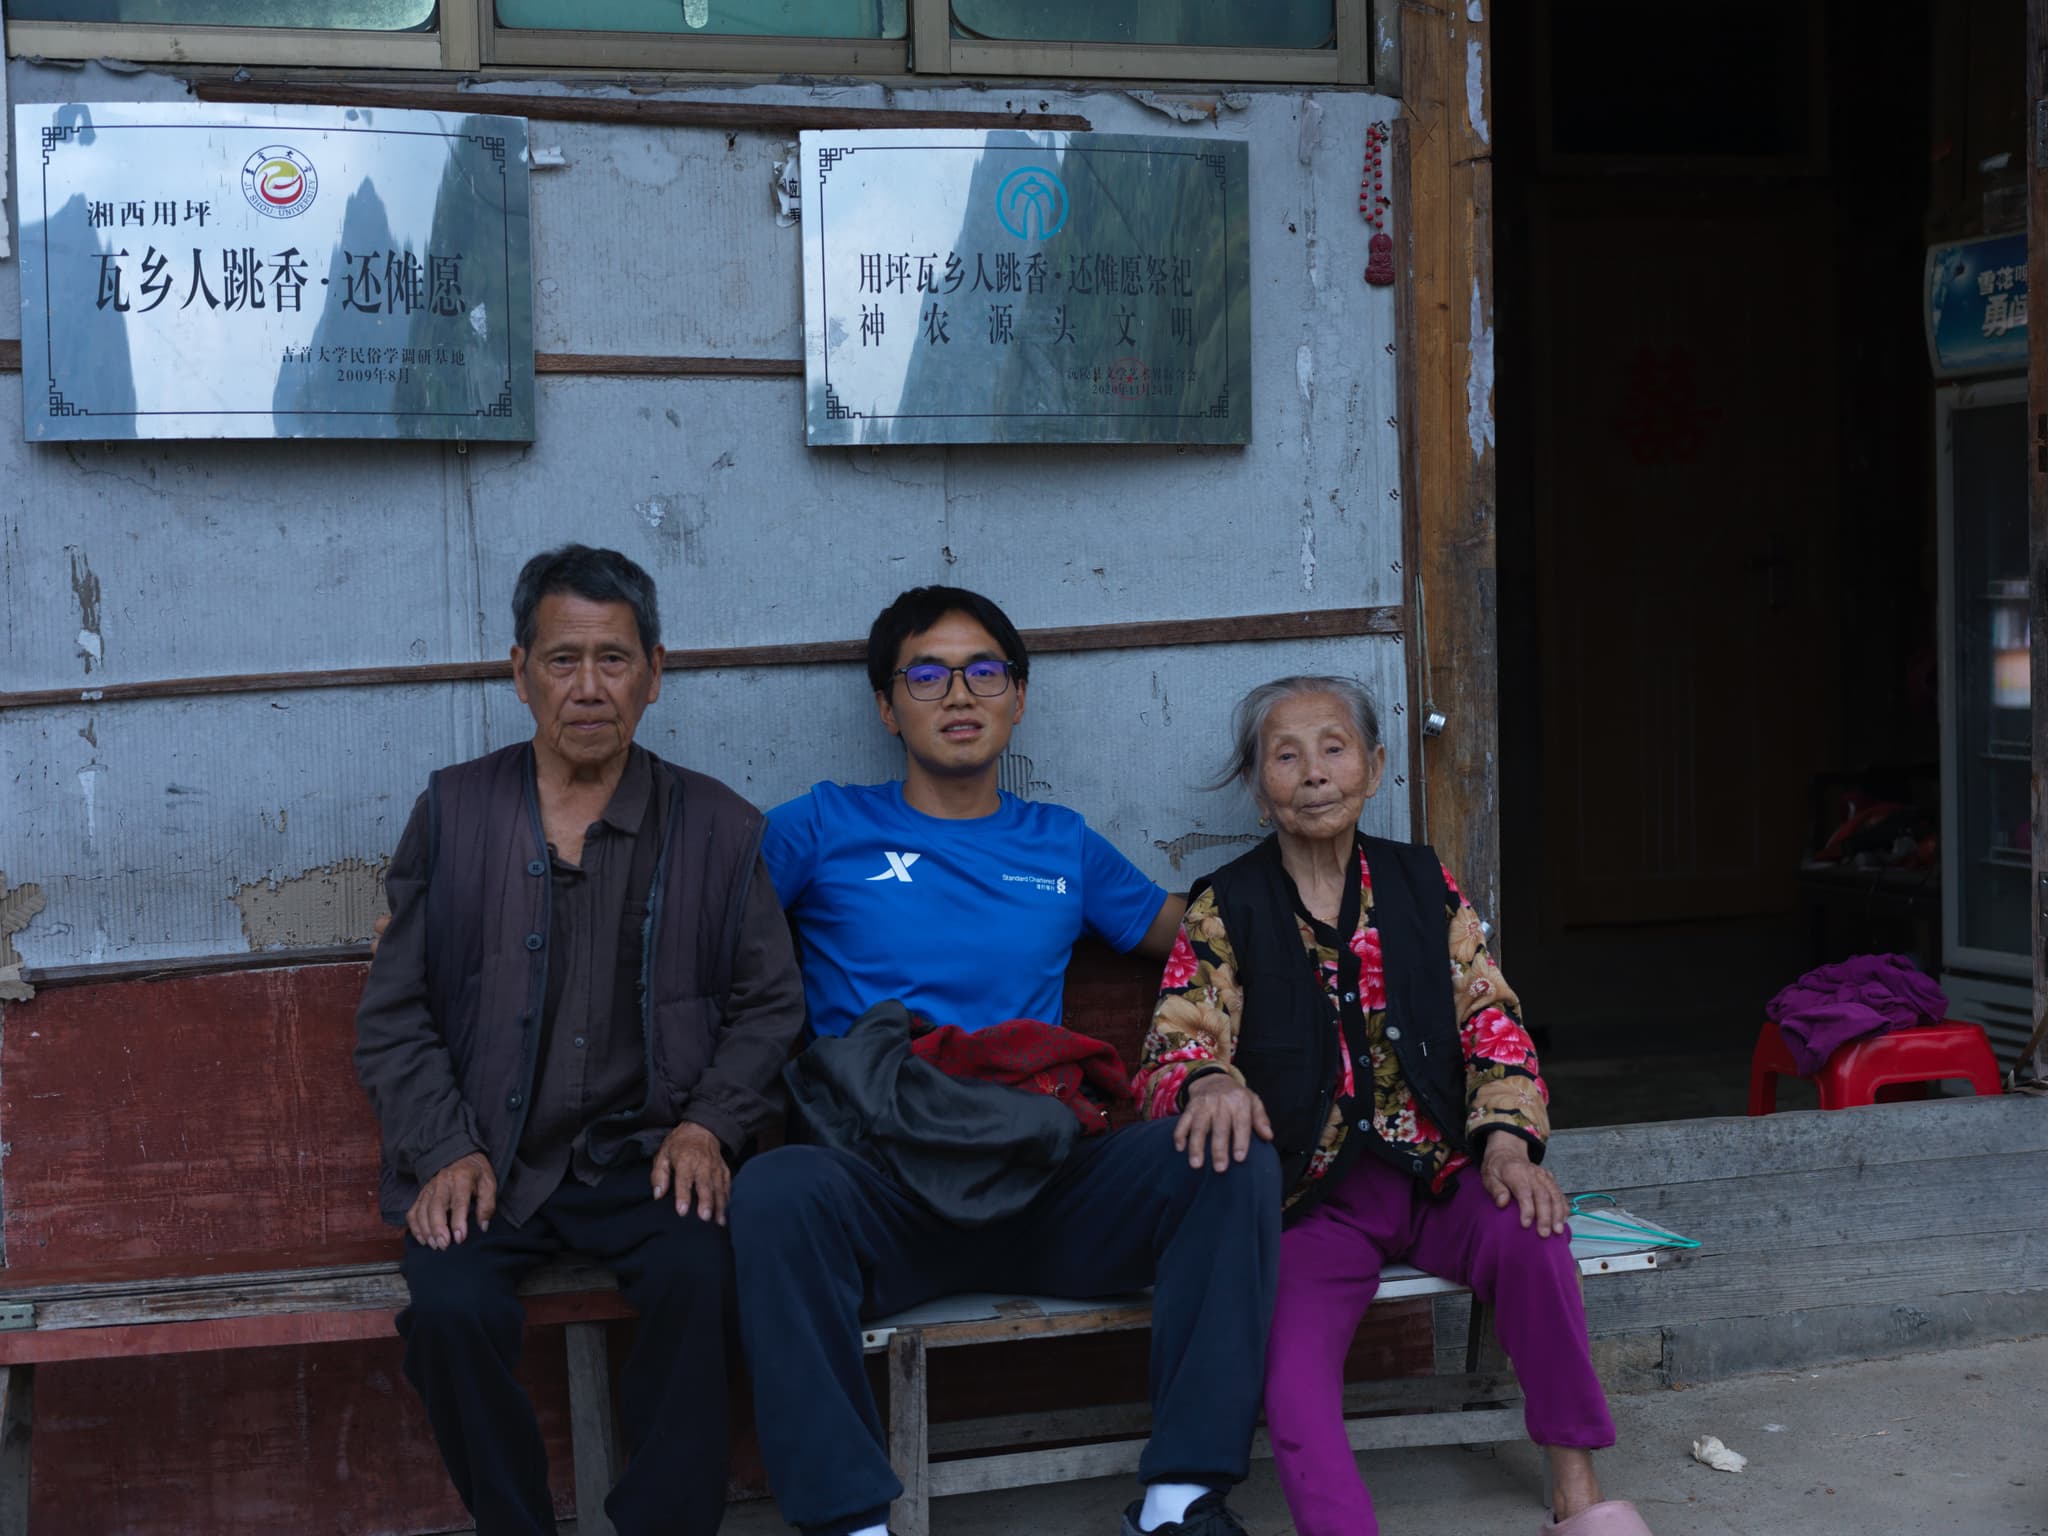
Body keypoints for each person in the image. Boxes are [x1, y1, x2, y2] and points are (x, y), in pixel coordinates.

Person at [728, 586, 1282, 1536]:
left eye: (986, 670)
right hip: (885, 1189)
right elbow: (697, 926)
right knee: (776, 1192)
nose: (960, 692)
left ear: (1017, 698)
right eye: (928, 673)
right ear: (885, 704)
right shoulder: (819, 828)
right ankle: (848, 1522)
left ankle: (1180, 1500)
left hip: (1043, 1180)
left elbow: (1202, 936)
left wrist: (1363, 892)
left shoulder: (1060, 844)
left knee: (1227, 1157)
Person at [355, 544, 806, 1536]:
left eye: (613, 659)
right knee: (449, 1307)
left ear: (654, 672)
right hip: (492, 1157)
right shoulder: (457, 812)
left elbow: (768, 1004)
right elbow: (395, 1014)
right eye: (563, 660)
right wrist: (443, 1150)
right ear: (519, 674)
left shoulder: (721, 828)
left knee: (704, 1275)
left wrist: (710, 1128)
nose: (589, 686)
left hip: (644, 1158)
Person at [1136, 675, 1656, 1536]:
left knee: (1533, 1232)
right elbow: (1175, 1040)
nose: (1313, 773)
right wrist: (1210, 1080)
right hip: (1311, 1207)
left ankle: (1578, 1493)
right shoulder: (1225, 905)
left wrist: (1505, 1143)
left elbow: (1494, 1023)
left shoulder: (1423, 885)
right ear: (1258, 787)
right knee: (1293, 1380)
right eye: (1286, 755)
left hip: (1441, 1178)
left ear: (1374, 768)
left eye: (1334, 748)